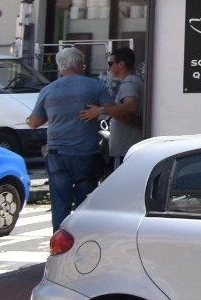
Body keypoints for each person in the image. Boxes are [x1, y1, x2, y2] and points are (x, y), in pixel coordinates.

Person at [27, 45, 110, 229]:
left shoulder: (48, 90)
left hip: (56, 153)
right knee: (85, 205)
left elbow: (34, 123)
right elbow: (111, 109)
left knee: (60, 203)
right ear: (80, 65)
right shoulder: (95, 86)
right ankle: (82, 241)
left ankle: (60, 241)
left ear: (60, 67)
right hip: (86, 153)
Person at [78, 46, 144, 170]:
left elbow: (130, 106)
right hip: (128, 147)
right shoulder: (133, 81)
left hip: (125, 149)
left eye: (110, 64)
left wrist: (100, 111)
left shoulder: (129, 83)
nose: (109, 68)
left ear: (121, 64)